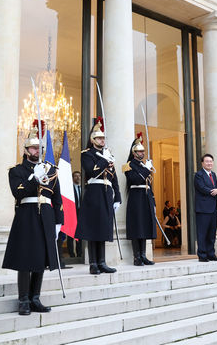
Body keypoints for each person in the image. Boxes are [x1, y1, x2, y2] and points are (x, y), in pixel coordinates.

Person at [3, 120, 63, 316]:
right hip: (26, 215)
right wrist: (33, 179)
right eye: (34, 148)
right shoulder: (16, 171)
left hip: (45, 215)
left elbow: (57, 196)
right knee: (25, 259)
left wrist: (58, 220)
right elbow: (18, 193)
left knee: (41, 259)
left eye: (39, 148)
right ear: (26, 149)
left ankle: (35, 297)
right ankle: (23, 299)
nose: (37, 151)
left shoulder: (50, 170)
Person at [75, 117, 121, 274]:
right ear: (93, 139)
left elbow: (114, 177)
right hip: (94, 192)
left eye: (103, 138)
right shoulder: (87, 154)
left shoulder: (108, 155)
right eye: (99, 138)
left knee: (103, 228)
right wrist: (104, 160)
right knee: (93, 228)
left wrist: (118, 197)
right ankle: (93, 263)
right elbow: (91, 171)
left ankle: (102, 261)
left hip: (107, 193)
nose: (102, 140)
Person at [124, 133, 157, 266]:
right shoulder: (129, 165)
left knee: (144, 226)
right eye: (139, 151)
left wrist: (153, 201)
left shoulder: (144, 165)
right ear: (134, 152)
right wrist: (147, 169)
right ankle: (136, 256)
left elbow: (149, 184)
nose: (142, 153)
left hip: (146, 196)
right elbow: (136, 179)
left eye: (143, 151)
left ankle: (143, 255)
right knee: (137, 226)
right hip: (136, 196)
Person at [194, 153, 217, 262]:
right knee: (202, 233)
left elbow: (216, 188)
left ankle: (211, 254)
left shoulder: (213, 175)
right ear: (202, 163)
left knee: (211, 233)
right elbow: (202, 188)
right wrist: (216, 192)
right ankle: (202, 255)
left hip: (213, 208)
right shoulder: (199, 175)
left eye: (211, 161)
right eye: (207, 161)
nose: (209, 163)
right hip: (203, 208)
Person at [62, 171, 83, 259]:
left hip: (81, 213)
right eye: (75, 176)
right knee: (71, 235)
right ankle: (71, 254)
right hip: (71, 213)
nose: (78, 178)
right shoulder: (69, 189)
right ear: (72, 178)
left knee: (80, 234)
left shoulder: (83, 188)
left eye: (79, 176)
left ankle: (79, 254)